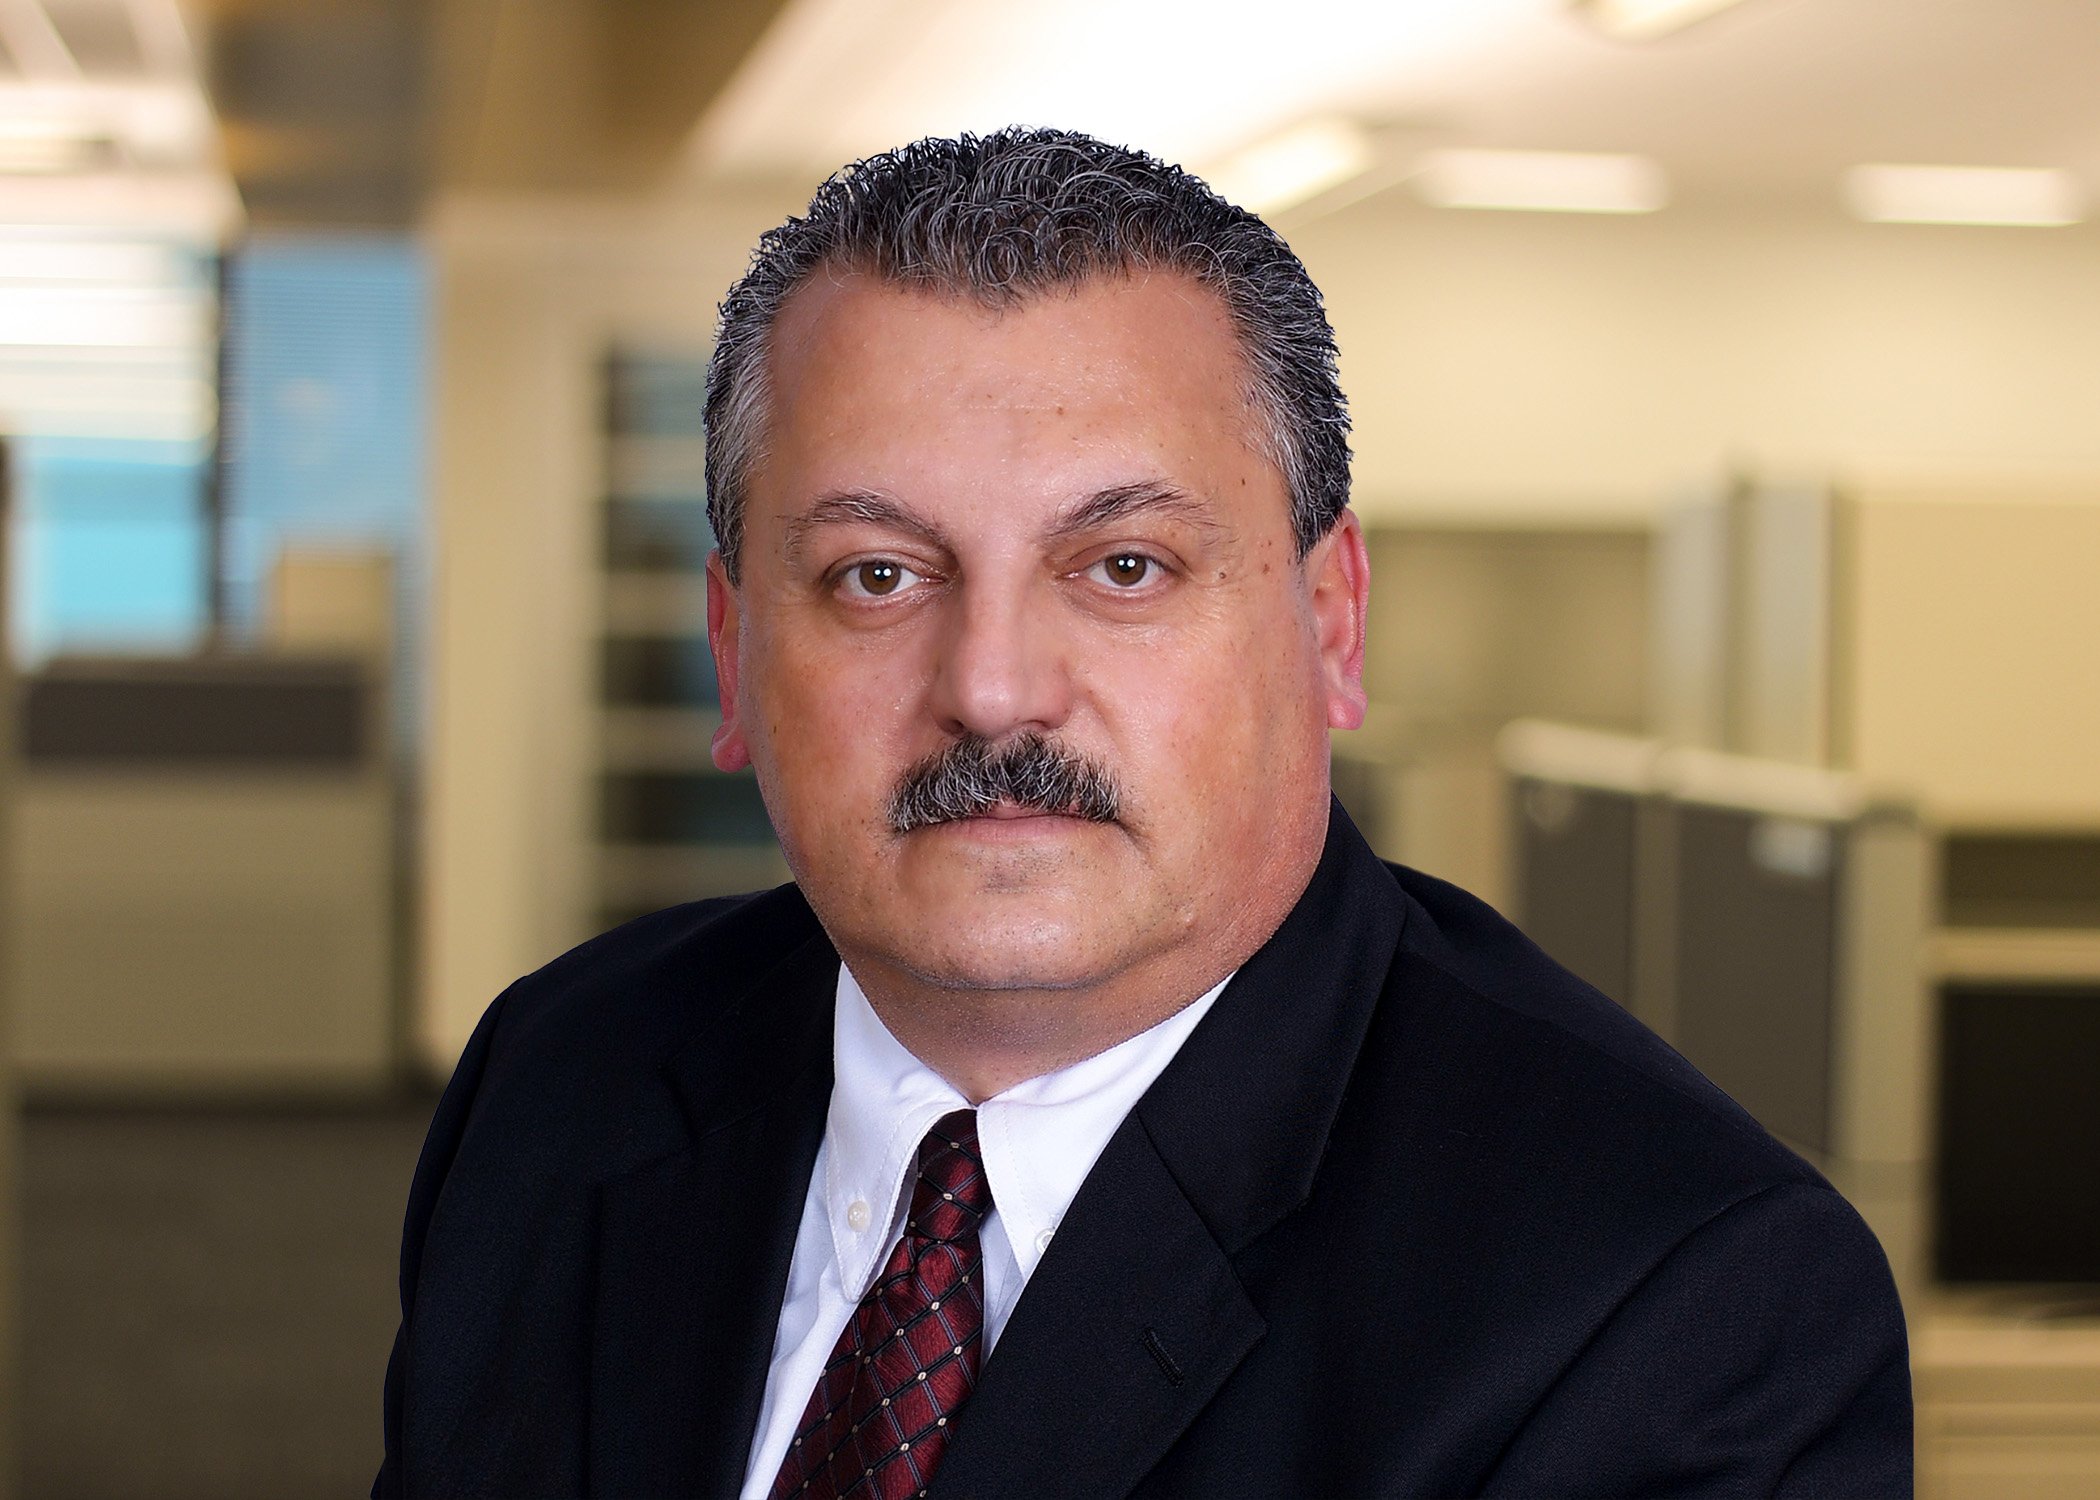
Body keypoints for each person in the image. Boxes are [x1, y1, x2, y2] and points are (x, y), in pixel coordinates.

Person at [377, 128, 1910, 1499]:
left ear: (1330, 625)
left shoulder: (1671, 1298)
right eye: (877, 575)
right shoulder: (563, 1072)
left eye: (1124, 567)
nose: (991, 691)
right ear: (733, 650)